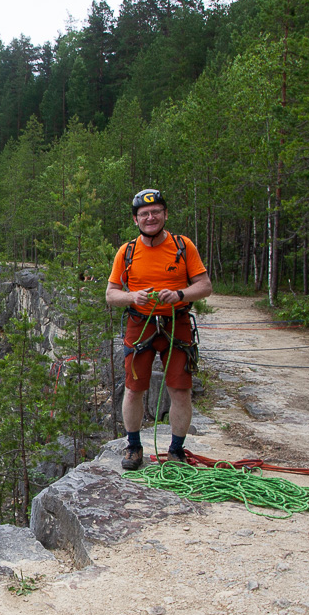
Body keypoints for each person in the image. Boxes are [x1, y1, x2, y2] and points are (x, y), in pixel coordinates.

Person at [105, 188, 213, 470]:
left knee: (180, 390)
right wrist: (132, 297)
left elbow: (204, 286)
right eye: (144, 214)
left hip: (176, 325)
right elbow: (111, 294)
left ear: (165, 214)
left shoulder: (183, 246)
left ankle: (176, 450)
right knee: (133, 389)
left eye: (155, 212)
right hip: (140, 326)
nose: (150, 217)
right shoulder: (126, 252)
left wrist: (179, 295)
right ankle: (133, 446)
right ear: (136, 220)